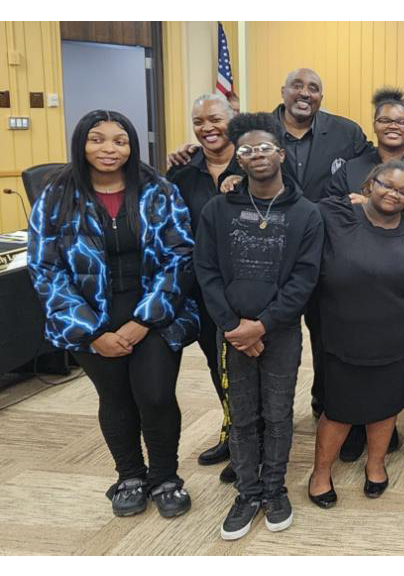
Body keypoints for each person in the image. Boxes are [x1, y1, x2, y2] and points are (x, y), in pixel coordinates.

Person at [27, 110, 198, 519]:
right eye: (97, 139)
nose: (109, 149)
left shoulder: (158, 189)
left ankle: (165, 477)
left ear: (132, 145)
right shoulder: (56, 194)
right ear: (81, 144)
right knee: (116, 397)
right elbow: (45, 268)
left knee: (155, 395)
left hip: (155, 311)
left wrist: (144, 320)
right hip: (89, 316)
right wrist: (92, 331)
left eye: (119, 140)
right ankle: (130, 476)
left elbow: (180, 254)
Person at [194, 112, 324, 540]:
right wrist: (233, 326)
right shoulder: (218, 209)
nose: (257, 155)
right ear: (239, 160)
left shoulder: (306, 214)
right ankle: (248, 492)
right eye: (247, 150)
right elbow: (206, 271)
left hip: (280, 332)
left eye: (265, 148)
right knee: (243, 415)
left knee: (279, 412)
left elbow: (304, 278)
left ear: (281, 155)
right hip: (230, 333)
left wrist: (263, 325)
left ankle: (274, 488)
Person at [308, 160, 404, 507]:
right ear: (369, 185)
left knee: (386, 405)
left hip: (398, 337)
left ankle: (375, 465)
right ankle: (320, 473)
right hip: (344, 336)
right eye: (386, 185)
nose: (393, 193)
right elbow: (296, 209)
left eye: (403, 191)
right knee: (339, 410)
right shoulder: (337, 214)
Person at [166, 93, 244, 484]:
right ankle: (232, 432)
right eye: (198, 121)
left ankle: (252, 441)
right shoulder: (181, 172)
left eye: (215, 119)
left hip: (247, 291)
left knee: (249, 368)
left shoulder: (254, 163)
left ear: (234, 119)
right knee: (218, 365)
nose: (207, 127)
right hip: (199, 291)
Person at [327, 87, 404, 199]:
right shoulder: (350, 170)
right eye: (385, 120)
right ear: (374, 125)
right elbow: (330, 206)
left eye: (401, 122)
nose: (393, 126)